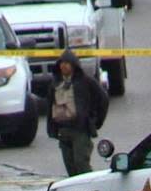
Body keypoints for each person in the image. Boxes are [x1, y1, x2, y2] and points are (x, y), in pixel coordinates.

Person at [47, 48, 109, 176]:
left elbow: (103, 99)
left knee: (82, 164)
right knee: (71, 168)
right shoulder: (55, 83)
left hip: (80, 131)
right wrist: (52, 128)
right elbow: (50, 106)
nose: (63, 66)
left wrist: (95, 121)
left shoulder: (85, 81)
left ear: (74, 65)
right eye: (61, 63)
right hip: (63, 132)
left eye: (67, 63)